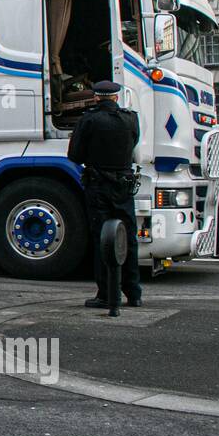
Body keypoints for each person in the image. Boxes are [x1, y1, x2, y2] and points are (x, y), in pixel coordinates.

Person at [68, 80, 142, 310]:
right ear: (116, 98)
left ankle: (107, 294)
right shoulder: (131, 118)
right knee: (127, 239)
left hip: (99, 185)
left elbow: (74, 154)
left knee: (103, 239)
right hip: (124, 185)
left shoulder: (89, 120)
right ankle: (134, 293)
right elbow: (134, 142)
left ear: (96, 98)